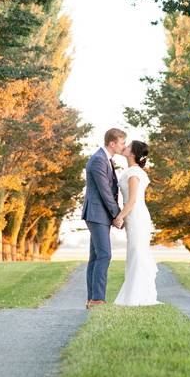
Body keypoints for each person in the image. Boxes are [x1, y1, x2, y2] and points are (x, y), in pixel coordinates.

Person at [81, 128, 126, 309]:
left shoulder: (105, 159)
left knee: (95, 257)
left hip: (99, 214)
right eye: (122, 143)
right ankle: (97, 299)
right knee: (105, 255)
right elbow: (105, 192)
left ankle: (92, 299)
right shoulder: (99, 160)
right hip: (97, 213)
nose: (124, 146)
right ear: (112, 143)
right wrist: (117, 215)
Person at [113, 140, 160, 306]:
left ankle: (138, 297)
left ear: (132, 153)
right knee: (135, 253)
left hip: (137, 216)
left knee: (138, 252)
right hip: (133, 217)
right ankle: (136, 294)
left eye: (127, 146)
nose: (124, 147)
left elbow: (132, 201)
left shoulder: (134, 173)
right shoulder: (132, 171)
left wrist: (119, 217)